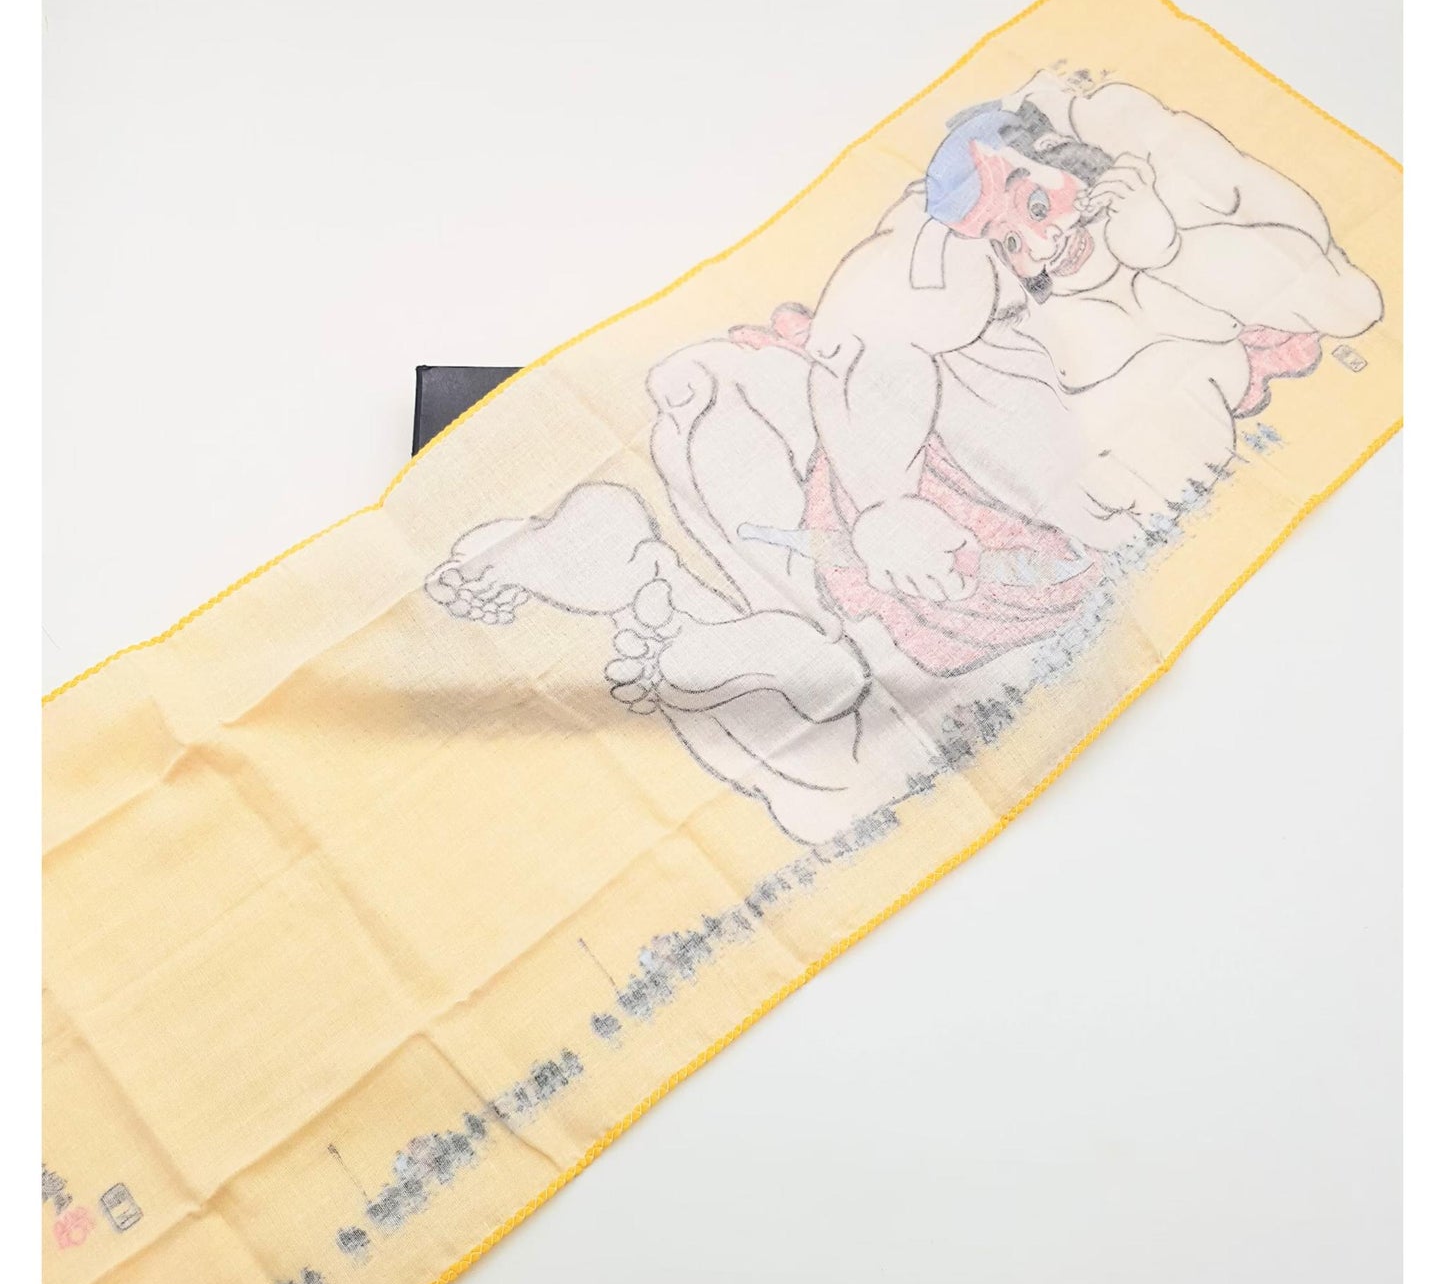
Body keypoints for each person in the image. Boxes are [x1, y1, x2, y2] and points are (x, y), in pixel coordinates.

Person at [426, 75, 1382, 843]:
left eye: (1034, 202)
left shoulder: (1181, 190)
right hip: (885, 505)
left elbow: (1349, 301)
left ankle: (650, 587)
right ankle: (678, 605)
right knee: (734, 409)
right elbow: (877, 328)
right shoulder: (956, 257)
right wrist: (885, 500)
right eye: (1009, 232)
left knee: (844, 780)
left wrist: (1161, 242)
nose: (1041, 239)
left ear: (1073, 163)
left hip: (980, 571)